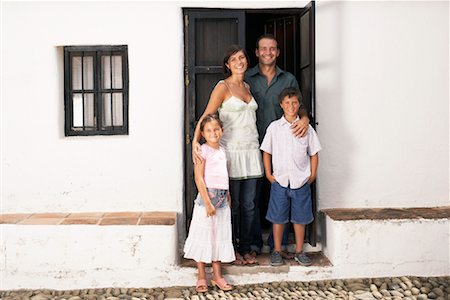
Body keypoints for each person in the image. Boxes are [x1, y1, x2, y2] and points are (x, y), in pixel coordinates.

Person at [192, 45, 264, 265]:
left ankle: (246, 247)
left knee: (250, 204)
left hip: (251, 151)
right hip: (229, 153)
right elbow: (206, 115)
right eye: (234, 59)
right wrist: (196, 141)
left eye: (242, 57)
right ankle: (230, 248)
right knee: (231, 204)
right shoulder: (223, 87)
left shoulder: (248, 87)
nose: (239, 62)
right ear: (227, 64)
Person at [245, 34, 310, 256]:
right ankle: (253, 245)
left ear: (278, 52)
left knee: (281, 193)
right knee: (253, 198)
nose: (267, 52)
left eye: (272, 49)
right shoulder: (247, 78)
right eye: (263, 49)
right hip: (253, 146)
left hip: (284, 148)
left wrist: (305, 118)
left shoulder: (288, 79)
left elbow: (297, 104)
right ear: (256, 52)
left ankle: (276, 246)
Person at [260, 87, 321, 267]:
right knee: (278, 218)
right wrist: (269, 174)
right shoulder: (274, 128)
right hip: (280, 181)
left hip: (300, 181)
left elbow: (314, 153)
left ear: (299, 104)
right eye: (287, 103)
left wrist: (312, 174)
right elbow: (266, 151)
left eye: (294, 102)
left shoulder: (306, 128)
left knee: (300, 218)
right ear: (281, 105)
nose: (291, 106)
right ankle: (277, 250)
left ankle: (300, 251)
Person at [184, 114, 235, 292]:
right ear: (203, 134)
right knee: (204, 237)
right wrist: (207, 202)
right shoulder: (202, 150)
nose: (213, 133)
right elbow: (199, 177)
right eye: (208, 130)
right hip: (207, 199)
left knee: (219, 236)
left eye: (216, 129)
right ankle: (201, 276)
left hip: (222, 199)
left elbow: (223, 175)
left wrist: (227, 195)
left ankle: (217, 275)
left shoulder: (223, 150)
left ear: (222, 130)